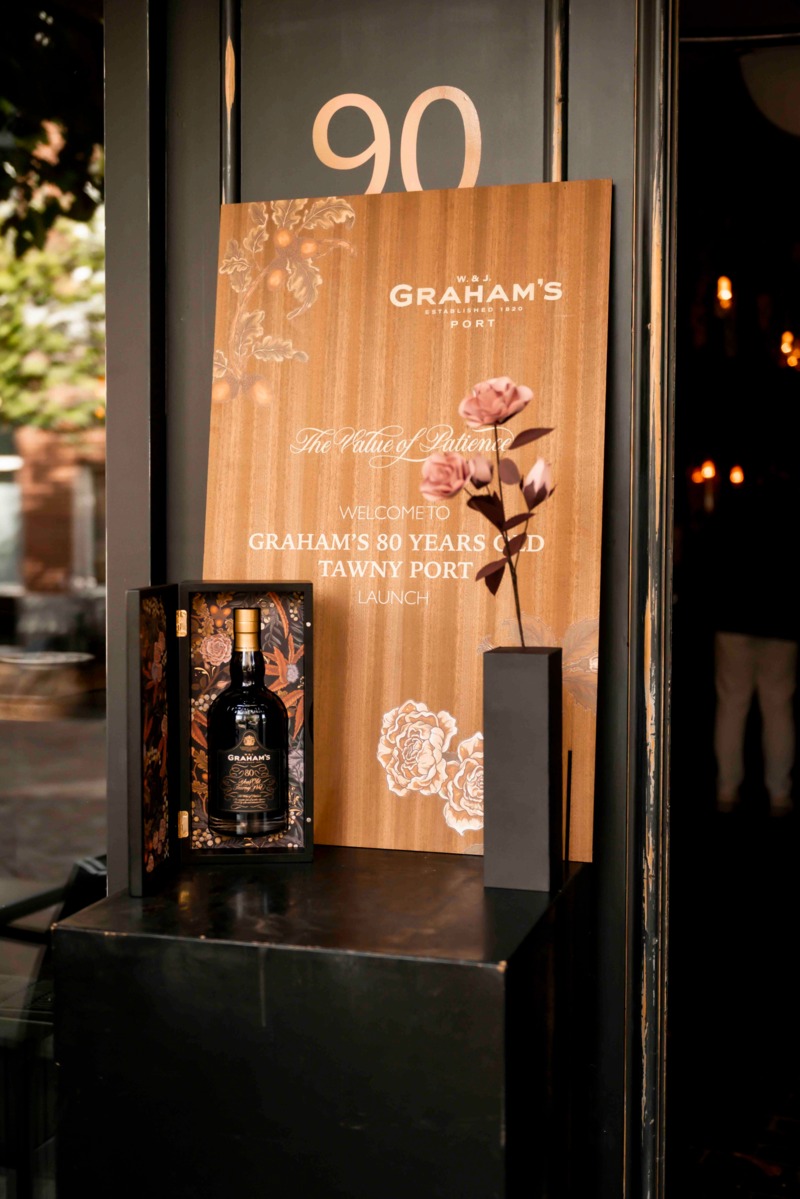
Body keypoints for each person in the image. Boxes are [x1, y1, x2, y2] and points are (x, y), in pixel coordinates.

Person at [711, 454, 798, 816]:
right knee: (778, 707)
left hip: (735, 616)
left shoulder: (732, 508)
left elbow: (714, 559)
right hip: (781, 620)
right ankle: (779, 794)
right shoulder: (791, 509)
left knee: (732, 706)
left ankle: (727, 790)